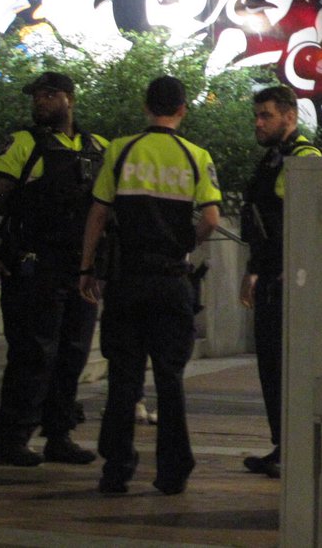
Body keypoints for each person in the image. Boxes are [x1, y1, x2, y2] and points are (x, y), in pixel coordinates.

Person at [79, 75, 221, 495]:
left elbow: (99, 214)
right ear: (182, 110)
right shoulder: (196, 155)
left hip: (127, 281)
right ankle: (173, 470)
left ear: (146, 107)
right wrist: (183, 244)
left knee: (124, 377)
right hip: (171, 280)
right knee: (170, 378)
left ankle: (116, 468)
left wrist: (86, 267)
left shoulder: (121, 151)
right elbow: (211, 219)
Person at [0, 71, 107, 467]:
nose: (40, 102)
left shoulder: (97, 147)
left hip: (79, 269)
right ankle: (12, 437)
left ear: (69, 98)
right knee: (33, 354)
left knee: (73, 353)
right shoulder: (22, 143)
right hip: (34, 265)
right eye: (36, 96)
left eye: (48, 95)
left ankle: (59, 434)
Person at [239, 85, 322, 479]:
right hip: (271, 278)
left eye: (266, 115)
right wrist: (253, 269)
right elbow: (264, 225)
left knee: (289, 370)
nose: (258, 122)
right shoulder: (273, 160)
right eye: (257, 115)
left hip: (291, 285)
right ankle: (284, 446)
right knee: (272, 369)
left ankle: (297, 450)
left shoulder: (304, 159)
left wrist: (295, 267)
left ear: (290, 116)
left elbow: (311, 223)